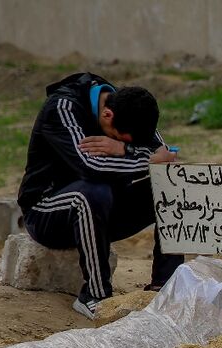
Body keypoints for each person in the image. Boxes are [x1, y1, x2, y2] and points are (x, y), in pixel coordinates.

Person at [17, 72, 183, 319]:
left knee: (168, 184)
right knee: (92, 193)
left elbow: (162, 153)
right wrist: (146, 159)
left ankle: (166, 285)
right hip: (48, 211)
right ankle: (95, 295)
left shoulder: (127, 106)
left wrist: (124, 148)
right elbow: (90, 167)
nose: (118, 143)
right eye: (118, 138)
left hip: (102, 211)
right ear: (107, 116)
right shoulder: (63, 107)